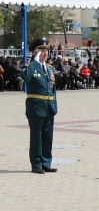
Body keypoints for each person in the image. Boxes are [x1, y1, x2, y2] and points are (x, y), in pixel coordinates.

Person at [20, 36, 58, 174]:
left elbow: (53, 90)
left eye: (46, 50)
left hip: (48, 107)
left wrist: (54, 106)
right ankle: (36, 164)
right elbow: (25, 77)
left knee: (47, 137)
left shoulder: (49, 68)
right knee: (37, 137)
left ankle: (46, 162)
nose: (45, 53)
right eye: (42, 50)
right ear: (35, 52)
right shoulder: (29, 67)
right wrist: (35, 61)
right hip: (36, 108)